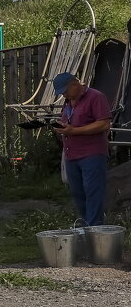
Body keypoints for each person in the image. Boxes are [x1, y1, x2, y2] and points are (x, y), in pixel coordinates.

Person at [52, 72, 112, 226]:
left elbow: (104, 124)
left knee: (93, 192)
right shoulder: (69, 101)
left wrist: (74, 131)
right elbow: (71, 121)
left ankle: (95, 229)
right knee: (78, 193)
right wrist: (63, 128)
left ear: (74, 84)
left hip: (92, 154)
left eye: (65, 91)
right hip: (72, 155)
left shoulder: (95, 97)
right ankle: (86, 225)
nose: (64, 95)